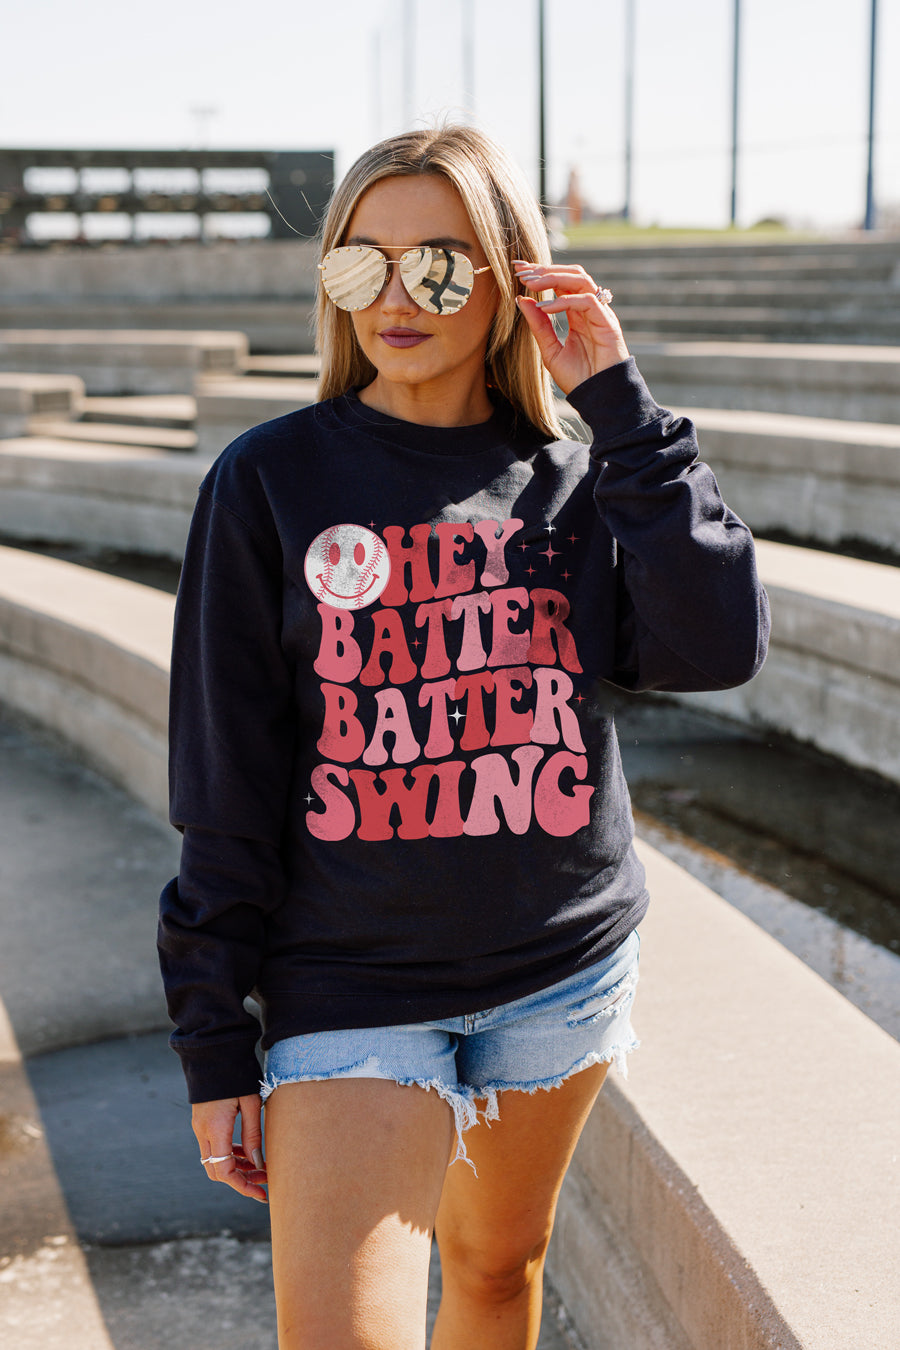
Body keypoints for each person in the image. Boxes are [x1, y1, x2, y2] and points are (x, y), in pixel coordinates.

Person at [158, 124, 769, 1350]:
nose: (395, 296)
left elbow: (714, 646)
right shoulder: (269, 481)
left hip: (560, 972)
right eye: (361, 263)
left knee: (496, 1272)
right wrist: (213, 1031)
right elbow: (225, 776)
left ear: (508, 281)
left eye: (437, 265)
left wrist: (620, 406)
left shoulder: (577, 482)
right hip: (351, 982)